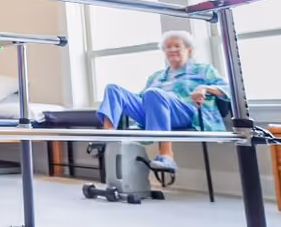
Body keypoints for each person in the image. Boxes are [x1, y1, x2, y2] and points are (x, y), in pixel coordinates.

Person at [97, 30, 230, 172]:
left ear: (188, 50)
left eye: (177, 46)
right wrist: (124, 100)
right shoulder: (156, 76)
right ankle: (109, 135)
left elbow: (227, 88)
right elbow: (141, 97)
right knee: (113, 89)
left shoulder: (203, 69)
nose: (172, 49)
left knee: (153, 93)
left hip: (187, 112)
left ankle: (167, 155)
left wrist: (204, 88)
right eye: (168, 47)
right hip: (155, 111)